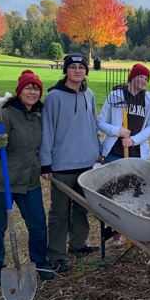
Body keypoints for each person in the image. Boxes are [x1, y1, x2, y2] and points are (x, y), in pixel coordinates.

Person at [0, 69, 54, 287]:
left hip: (28, 182)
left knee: (38, 225)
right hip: (0, 182)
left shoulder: (39, 116)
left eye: (36, 88)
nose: (33, 91)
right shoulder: (6, 115)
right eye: (28, 87)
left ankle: (39, 263)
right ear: (19, 91)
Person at [39, 53, 101, 273]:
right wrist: (45, 163)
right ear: (65, 70)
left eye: (81, 67)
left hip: (86, 163)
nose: (77, 71)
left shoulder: (89, 95)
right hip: (62, 165)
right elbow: (47, 130)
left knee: (82, 208)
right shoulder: (55, 97)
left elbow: (93, 124)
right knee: (59, 212)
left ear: (86, 71)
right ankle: (56, 253)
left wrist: (97, 150)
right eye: (72, 67)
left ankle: (78, 244)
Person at [98, 63, 150, 246]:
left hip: (136, 153)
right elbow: (100, 122)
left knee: (133, 192)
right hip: (115, 152)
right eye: (141, 77)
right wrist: (118, 131)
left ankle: (133, 229)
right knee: (114, 194)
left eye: (146, 79)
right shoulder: (115, 96)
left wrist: (134, 140)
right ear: (132, 77)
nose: (143, 81)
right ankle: (116, 232)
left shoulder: (148, 99)